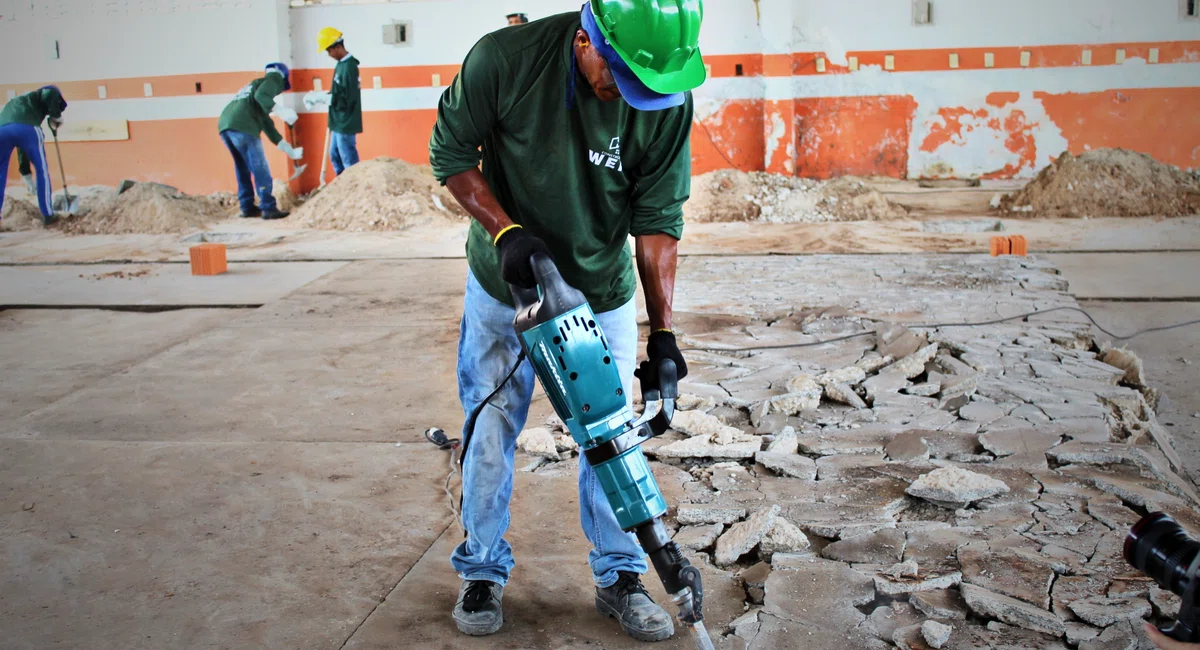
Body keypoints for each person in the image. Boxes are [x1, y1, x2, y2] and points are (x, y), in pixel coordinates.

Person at [429, 0, 706, 641]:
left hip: (599, 290)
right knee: (493, 423)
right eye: (620, 77)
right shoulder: (505, 60)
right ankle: (482, 571)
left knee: (609, 436)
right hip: (506, 283)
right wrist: (505, 233)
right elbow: (450, 153)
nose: (631, 97)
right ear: (586, 39)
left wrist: (662, 331)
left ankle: (621, 576)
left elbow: (659, 219)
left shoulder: (663, 96)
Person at [217, 62, 303, 219]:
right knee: (260, 167)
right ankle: (268, 207)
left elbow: (266, 123)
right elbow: (262, 96)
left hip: (225, 126)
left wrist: (287, 148)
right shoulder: (273, 79)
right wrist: (282, 111)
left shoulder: (253, 89)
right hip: (243, 126)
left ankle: (247, 206)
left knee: (242, 167)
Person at [0, 85, 68, 226]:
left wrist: (26, 174)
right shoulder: (45, 92)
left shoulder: (19, 102)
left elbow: (20, 145)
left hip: (2, 130)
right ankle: (48, 215)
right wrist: (56, 116)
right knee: (41, 170)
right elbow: (50, 92)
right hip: (29, 130)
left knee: (0, 174)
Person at [308, 27, 362, 176]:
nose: (329, 54)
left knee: (348, 159)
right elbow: (338, 91)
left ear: (337, 47)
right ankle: (342, 188)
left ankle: (354, 186)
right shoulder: (341, 65)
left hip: (346, 120)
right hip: (338, 120)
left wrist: (325, 98)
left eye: (329, 50)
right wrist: (323, 96)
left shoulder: (350, 67)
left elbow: (347, 97)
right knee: (335, 156)